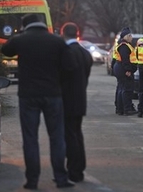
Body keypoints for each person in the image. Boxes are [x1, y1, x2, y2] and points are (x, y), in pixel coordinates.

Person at [1, 14, 76, 189]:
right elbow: (70, 66)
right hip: (52, 94)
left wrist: (18, 35)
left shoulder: (21, 40)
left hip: (28, 95)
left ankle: (32, 180)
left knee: (30, 138)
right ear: (42, 24)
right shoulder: (56, 41)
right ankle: (60, 177)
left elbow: (5, 50)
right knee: (56, 136)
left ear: (25, 26)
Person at [60, 22, 93, 182]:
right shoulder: (85, 53)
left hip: (67, 100)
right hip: (80, 98)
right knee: (77, 134)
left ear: (63, 33)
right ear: (77, 33)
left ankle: (73, 170)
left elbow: (62, 77)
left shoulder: (66, 52)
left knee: (70, 136)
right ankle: (79, 168)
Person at [113, 27, 138, 116]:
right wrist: (128, 69)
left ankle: (120, 109)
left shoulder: (121, 45)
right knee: (126, 89)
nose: (131, 37)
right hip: (123, 68)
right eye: (130, 35)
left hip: (119, 67)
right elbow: (125, 59)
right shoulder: (124, 46)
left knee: (121, 88)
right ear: (126, 36)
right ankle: (126, 109)